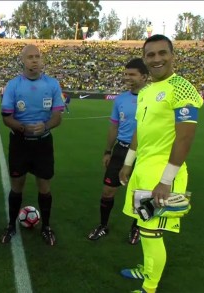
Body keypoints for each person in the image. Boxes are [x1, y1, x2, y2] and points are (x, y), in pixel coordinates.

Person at [118, 35, 203, 293]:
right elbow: (139, 131)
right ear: (145, 59)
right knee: (145, 228)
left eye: (162, 53)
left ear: (172, 55)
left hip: (164, 176)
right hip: (143, 171)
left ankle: (150, 287)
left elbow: (185, 138)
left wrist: (166, 181)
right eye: (151, 55)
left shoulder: (182, 88)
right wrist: (127, 163)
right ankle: (146, 269)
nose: (157, 59)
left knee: (153, 232)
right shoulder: (145, 92)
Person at [0, 44, 65, 246]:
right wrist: (21, 127)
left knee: (44, 186)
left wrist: (44, 125)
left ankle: (46, 227)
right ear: (23, 60)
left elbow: (57, 116)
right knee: (17, 185)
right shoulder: (13, 85)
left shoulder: (52, 84)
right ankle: (11, 225)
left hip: (43, 143)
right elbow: (6, 117)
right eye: (30, 57)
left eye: (37, 56)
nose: (34, 60)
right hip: (20, 143)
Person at [87, 58, 148, 244]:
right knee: (107, 191)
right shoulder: (121, 99)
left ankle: (136, 228)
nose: (127, 78)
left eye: (132, 74)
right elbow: (114, 127)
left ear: (144, 77)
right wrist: (107, 151)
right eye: (126, 74)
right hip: (120, 150)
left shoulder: (153, 98)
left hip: (144, 153)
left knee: (141, 194)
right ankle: (103, 225)